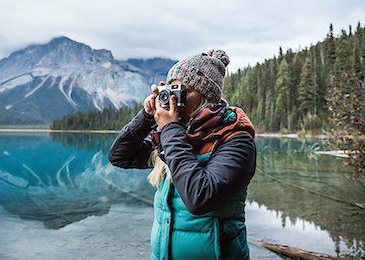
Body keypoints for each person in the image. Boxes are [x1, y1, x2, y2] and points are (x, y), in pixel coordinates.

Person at [108, 49, 256, 260]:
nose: (175, 99)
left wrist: (169, 128)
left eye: (182, 91)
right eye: (171, 90)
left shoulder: (235, 139)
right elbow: (120, 156)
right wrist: (148, 117)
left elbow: (199, 198)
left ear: (206, 96)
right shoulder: (177, 134)